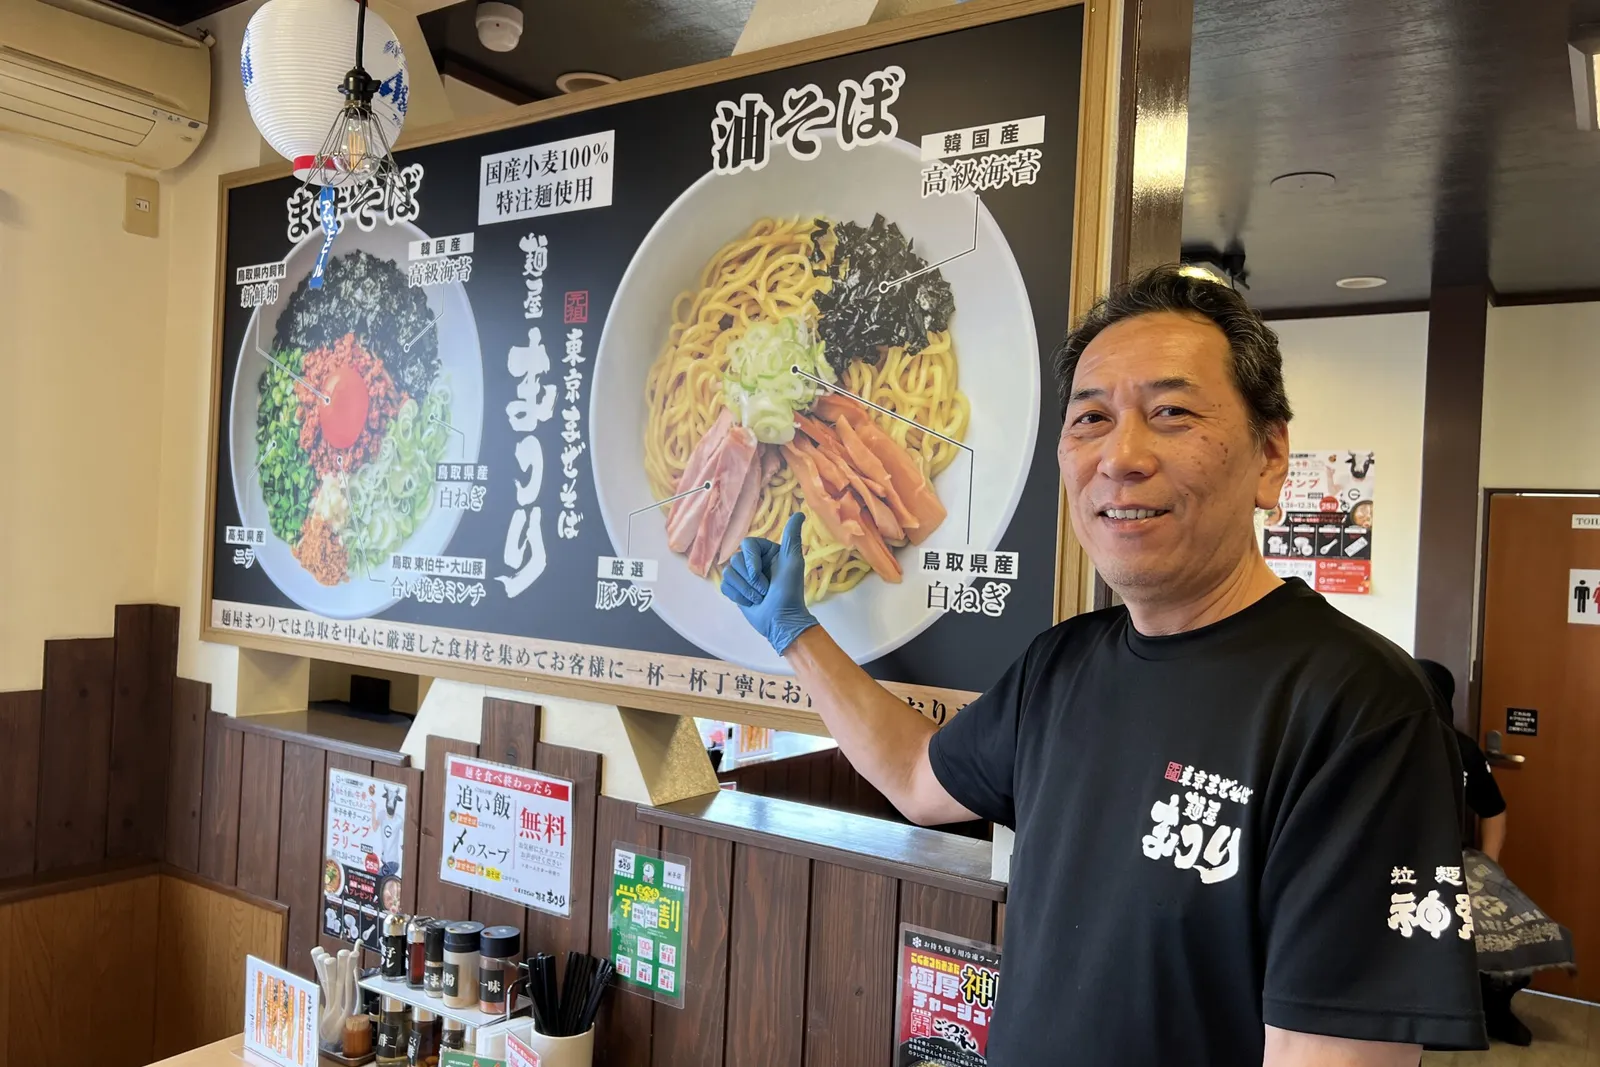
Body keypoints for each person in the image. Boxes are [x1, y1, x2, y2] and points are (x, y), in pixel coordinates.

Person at [721, 266, 1484, 1065]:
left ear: (1270, 456)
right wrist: (795, 634)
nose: (1121, 456)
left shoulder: (1363, 709)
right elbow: (916, 775)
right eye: (1091, 418)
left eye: (1172, 412)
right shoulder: (1061, 665)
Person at [1416, 659, 1534, 1047]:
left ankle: (1494, 1011)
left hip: (1455, 863)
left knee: (1506, 938)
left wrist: (1489, 868)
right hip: (1402, 867)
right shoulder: (1388, 742)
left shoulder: (1463, 749)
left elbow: (1494, 810)